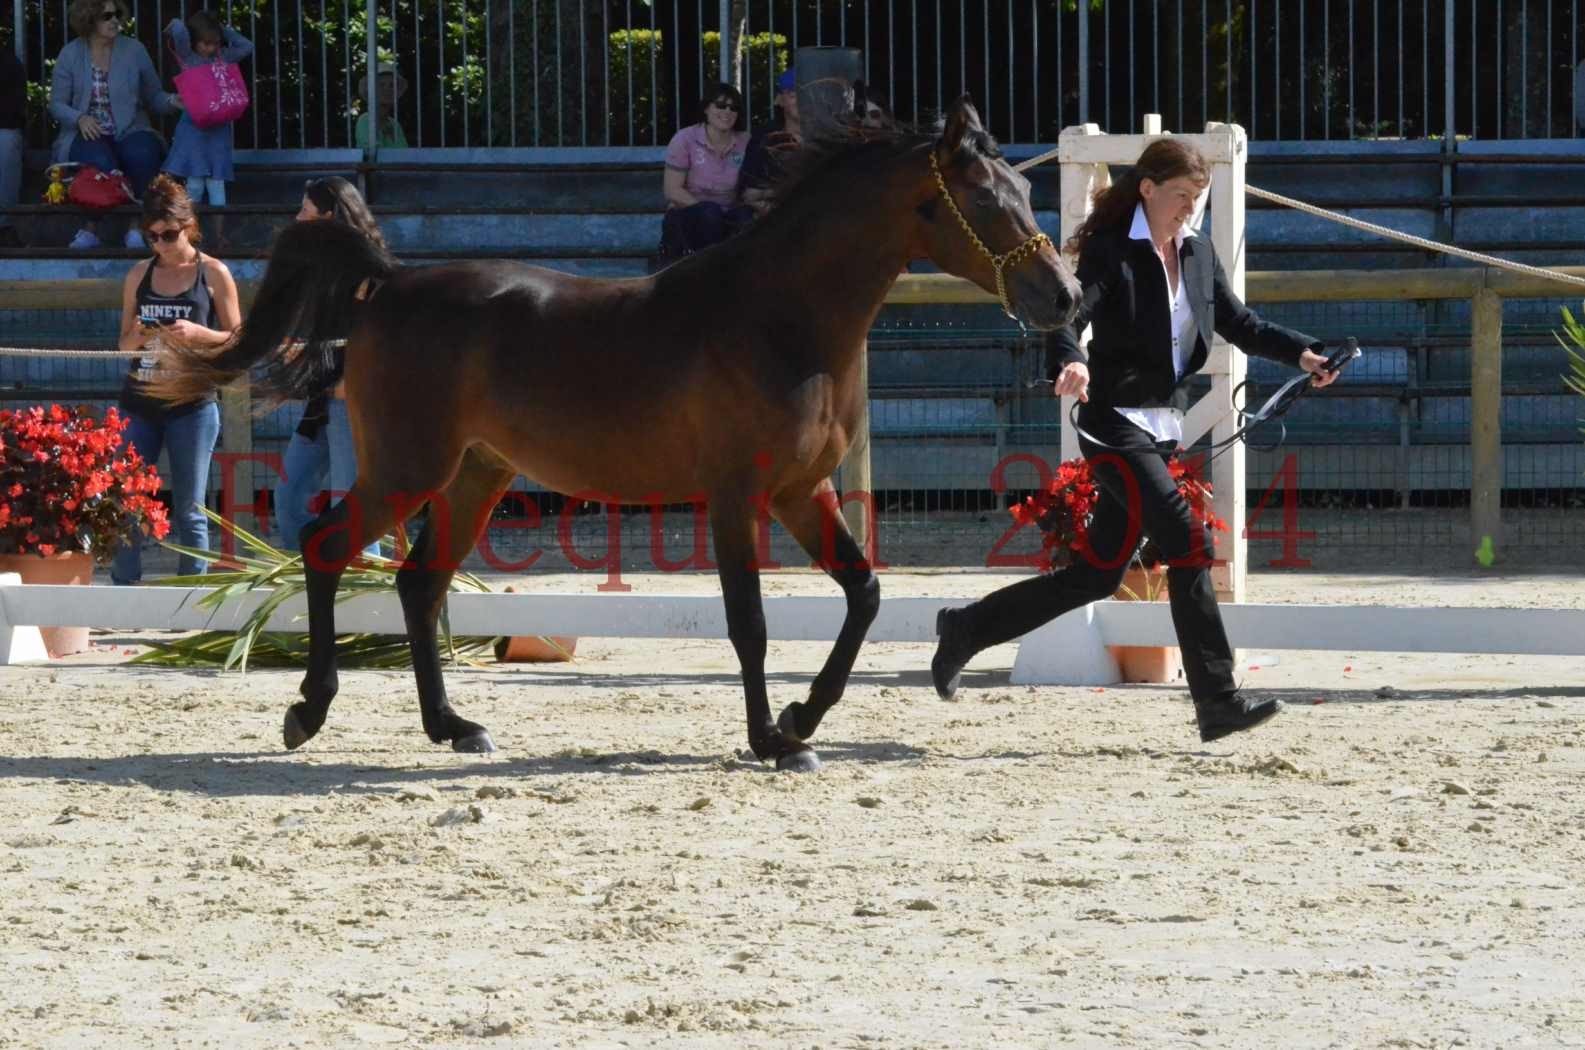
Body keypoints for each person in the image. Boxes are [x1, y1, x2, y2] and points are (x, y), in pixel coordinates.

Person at [930, 138, 1341, 744]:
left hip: (1161, 427)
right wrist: (1070, 360)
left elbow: (1239, 323)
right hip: (1112, 425)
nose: (1188, 209)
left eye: (1196, 199)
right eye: (1181, 197)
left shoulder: (1197, 253)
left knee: (1096, 575)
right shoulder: (1108, 252)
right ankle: (1218, 700)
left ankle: (966, 628)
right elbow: (1067, 313)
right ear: (1147, 188)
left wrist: (1303, 353)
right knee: (1188, 540)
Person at [112, 174, 239, 584]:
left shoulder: (213, 273)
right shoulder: (139, 274)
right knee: (129, 499)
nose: (161, 245)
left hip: (192, 405)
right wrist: (142, 333)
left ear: (189, 227)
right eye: (152, 237)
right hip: (140, 401)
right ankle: (123, 588)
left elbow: (240, 338)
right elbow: (123, 346)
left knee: (190, 508)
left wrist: (202, 334)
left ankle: (192, 596)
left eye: (168, 235)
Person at [274, 176, 383, 558]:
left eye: (305, 210)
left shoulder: (372, 270)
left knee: (353, 507)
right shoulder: (323, 267)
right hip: (322, 400)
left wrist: (350, 382)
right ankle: (306, 580)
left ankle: (366, 600)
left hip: (354, 403)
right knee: (288, 498)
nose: (298, 218)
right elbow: (329, 333)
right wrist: (302, 352)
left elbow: (379, 337)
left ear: (329, 215)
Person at [49, 0, 184, 250]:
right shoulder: (70, 53)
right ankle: (91, 230)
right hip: (86, 132)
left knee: (142, 153)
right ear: (89, 20)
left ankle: (135, 228)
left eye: (118, 14)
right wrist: (79, 118)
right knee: (99, 158)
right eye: (107, 16)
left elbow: (154, 96)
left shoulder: (134, 50)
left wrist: (173, 100)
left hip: (131, 128)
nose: (115, 21)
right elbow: (56, 104)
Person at [160, 11, 254, 247]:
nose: (211, 48)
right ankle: (192, 234)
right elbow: (180, 39)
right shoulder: (189, 57)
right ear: (194, 42)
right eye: (206, 43)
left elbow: (246, 46)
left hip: (216, 133)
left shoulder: (224, 56)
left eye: (215, 43)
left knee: (217, 185)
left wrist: (222, 30)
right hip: (195, 133)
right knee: (194, 185)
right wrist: (178, 25)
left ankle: (219, 234)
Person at [659, 83, 752, 257]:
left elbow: (750, 185)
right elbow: (672, 191)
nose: (727, 112)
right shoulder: (685, 138)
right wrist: (709, 210)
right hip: (688, 213)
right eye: (721, 105)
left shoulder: (745, 141)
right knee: (710, 215)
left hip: (729, 213)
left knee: (747, 218)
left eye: (734, 108)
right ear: (706, 109)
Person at [738, 67, 802, 217]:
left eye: (808, 95)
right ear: (779, 100)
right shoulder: (763, 137)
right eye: (793, 95)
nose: (802, 101)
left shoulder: (828, 134)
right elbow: (749, 193)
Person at [0, 46, 26, 249]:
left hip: (2, 128)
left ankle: (3, 226)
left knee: (7, 142)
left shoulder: (8, 63)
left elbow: (13, 112)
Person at [354, 61, 409, 150]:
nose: (387, 89)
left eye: (392, 85)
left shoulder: (394, 124)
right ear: (371, 90)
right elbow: (373, 154)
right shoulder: (365, 120)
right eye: (381, 85)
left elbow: (405, 154)